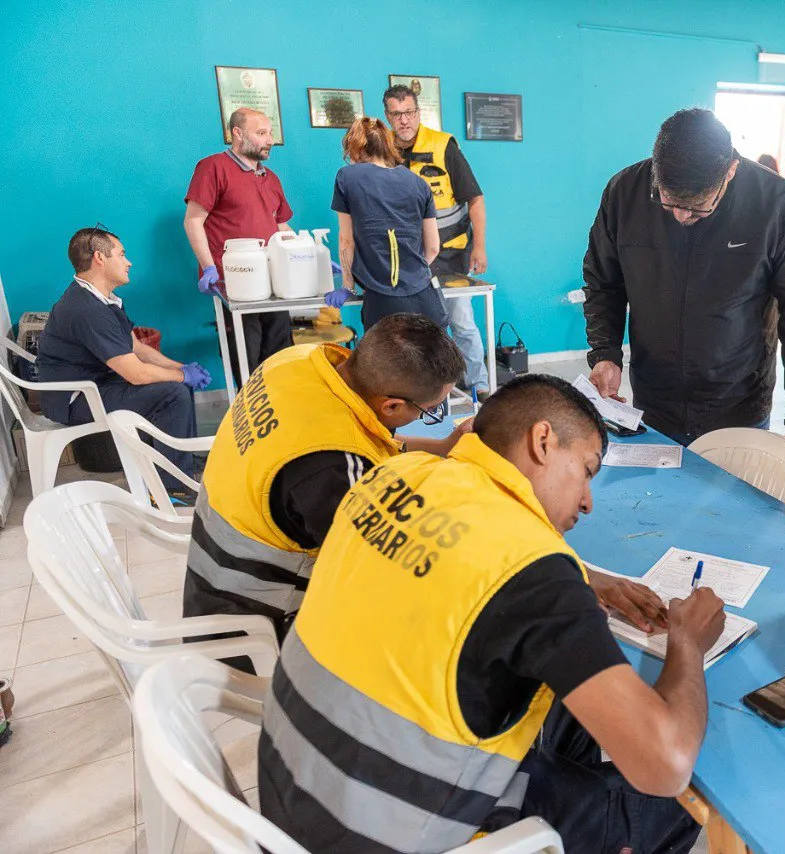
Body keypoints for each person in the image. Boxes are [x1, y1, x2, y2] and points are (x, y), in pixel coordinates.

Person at [258, 374, 718, 853]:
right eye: (586, 469)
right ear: (542, 441)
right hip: (386, 835)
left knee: (568, 713)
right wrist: (687, 640)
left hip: (294, 794)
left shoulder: (395, 473)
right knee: (679, 800)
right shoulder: (532, 568)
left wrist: (586, 580)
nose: (587, 500)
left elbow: (463, 551)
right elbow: (667, 764)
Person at [183, 313, 471, 646]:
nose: (425, 418)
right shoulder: (332, 468)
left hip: (210, 575)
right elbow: (382, 571)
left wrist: (443, 448)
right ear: (391, 405)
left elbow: (367, 444)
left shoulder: (297, 363)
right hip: (253, 626)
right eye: (429, 411)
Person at [583, 108, 785, 458]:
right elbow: (603, 282)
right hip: (655, 403)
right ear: (656, 167)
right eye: (668, 203)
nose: (681, 216)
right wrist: (605, 354)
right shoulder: (625, 193)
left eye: (698, 209)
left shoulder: (777, 204)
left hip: (738, 409)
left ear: (730, 171)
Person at [37, 227, 210, 503]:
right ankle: (170, 488)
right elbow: (136, 373)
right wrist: (180, 376)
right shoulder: (87, 309)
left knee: (175, 381)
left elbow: (136, 348)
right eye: (122, 254)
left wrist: (182, 367)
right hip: (76, 399)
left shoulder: (104, 299)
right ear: (100, 258)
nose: (128, 262)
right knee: (173, 390)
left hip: (97, 384)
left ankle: (178, 462)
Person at [384, 85, 491, 397]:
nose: (403, 120)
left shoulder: (444, 146)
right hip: (408, 259)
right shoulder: (385, 151)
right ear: (388, 117)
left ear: (418, 113)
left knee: (462, 321)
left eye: (409, 112)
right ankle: (429, 388)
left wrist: (480, 246)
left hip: (451, 254)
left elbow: (475, 199)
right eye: (396, 114)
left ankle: (479, 385)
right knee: (418, 329)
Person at [183, 107, 294, 385]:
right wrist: (209, 268)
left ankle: (282, 413)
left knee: (280, 354)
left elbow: (281, 227)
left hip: (273, 282)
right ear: (237, 133)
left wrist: (305, 255)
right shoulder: (213, 168)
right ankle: (251, 416)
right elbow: (193, 221)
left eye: (270, 133)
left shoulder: (270, 179)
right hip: (235, 282)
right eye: (261, 133)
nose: (269, 140)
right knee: (247, 357)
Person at [324, 117, 447, 331]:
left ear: (356, 148)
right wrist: (409, 274)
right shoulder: (419, 183)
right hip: (425, 298)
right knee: (428, 362)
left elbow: (346, 240)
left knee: (386, 363)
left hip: (383, 302)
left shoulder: (347, 177)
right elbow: (434, 247)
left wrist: (348, 286)